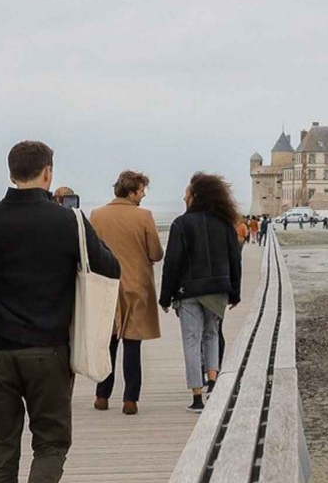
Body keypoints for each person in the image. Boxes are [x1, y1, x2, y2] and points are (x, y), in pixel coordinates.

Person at [0, 140, 120, 483]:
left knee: (1, 453)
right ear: (47, 174)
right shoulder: (67, 220)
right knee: (51, 443)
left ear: (11, 171)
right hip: (48, 352)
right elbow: (110, 268)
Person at [160, 173, 243, 414]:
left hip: (188, 292)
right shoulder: (225, 223)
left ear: (196, 196)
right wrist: (235, 292)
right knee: (211, 335)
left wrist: (165, 296)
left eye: (187, 193)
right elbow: (234, 260)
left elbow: (172, 263)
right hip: (217, 289)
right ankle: (213, 382)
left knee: (191, 340)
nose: (184, 196)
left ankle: (197, 396)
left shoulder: (181, 224)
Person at [89, 170, 164, 416]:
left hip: (106, 286)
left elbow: (91, 253)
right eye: (141, 191)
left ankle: (102, 394)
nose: (143, 195)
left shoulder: (97, 215)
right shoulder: (144, 216)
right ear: (132, 192)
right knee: (133, 345)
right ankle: (130, 400)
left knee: (107, 343)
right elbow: (155, 253)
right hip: (135, 286)